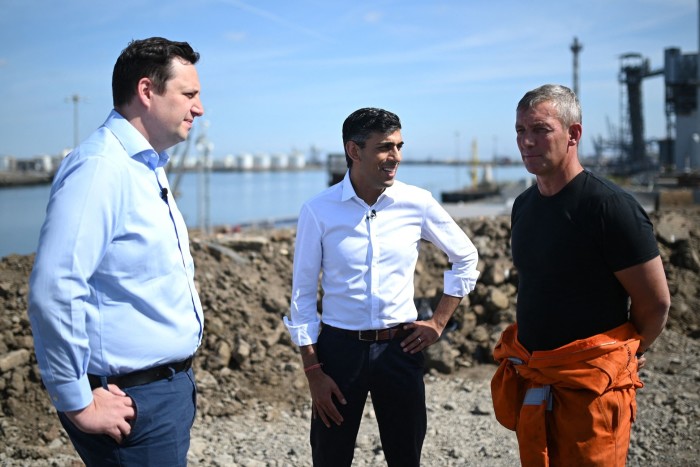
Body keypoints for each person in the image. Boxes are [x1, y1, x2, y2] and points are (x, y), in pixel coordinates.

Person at [27, 37, 205, 466]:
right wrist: (78, 402)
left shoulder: (143, 167)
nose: (198, 109)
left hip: (159, 393)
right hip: (131, 401)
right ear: (147, 92)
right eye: (189, 95)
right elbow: (54, 287)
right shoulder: (101, 168)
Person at [283, 107, 480, 466]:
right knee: (330, 458)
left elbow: (466, 256)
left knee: (406, 457)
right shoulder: (318, 210)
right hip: (338, 352)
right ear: (354, 151)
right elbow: (303, 296)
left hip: (400, 350)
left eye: (399, 146)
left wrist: (437, 323)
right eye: (385, 147)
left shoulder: (416, 202)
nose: (396, 158)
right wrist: (313, 372)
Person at [491, 84, 671, 466]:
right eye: (521, 131)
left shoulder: (610, 208)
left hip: (591, 390)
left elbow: (655, 302)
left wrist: (629, 351)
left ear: (574, 134)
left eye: (540, 129)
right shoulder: (523, 205)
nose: (527, 141)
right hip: (537, 379)